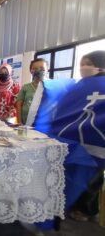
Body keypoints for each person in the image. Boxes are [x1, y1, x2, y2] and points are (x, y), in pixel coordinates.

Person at [68, 50, 105, 222]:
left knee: (93, 179)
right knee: (77, 176)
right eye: (82, 64)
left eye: (88, 63)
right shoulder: (79, 86)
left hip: (98, 142)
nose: (84, 67)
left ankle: (88, 210)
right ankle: (74, 205)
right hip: (79, 140)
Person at [16, 58, 48, 125]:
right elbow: (18, 104)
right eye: (35, 69)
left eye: (42, 68)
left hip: (44, 125)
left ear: (47, 69)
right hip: (26, 124)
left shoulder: (51, 87)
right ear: (31, 71)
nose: (38, 71)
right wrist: (19, 122)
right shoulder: (26, 87)